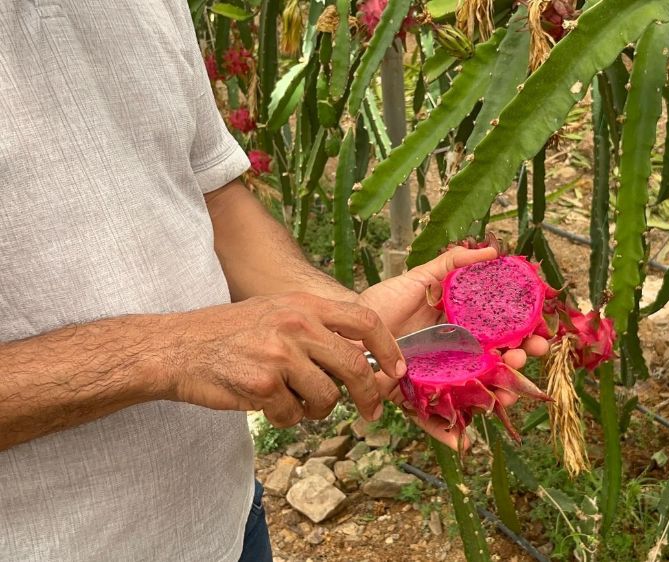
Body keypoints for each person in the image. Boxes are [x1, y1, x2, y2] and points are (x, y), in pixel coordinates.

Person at [0, 2, 547, 561]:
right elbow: (177, 344)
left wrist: (354, 321)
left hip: (227, 522)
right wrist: (168, 350)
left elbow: (211, 195)